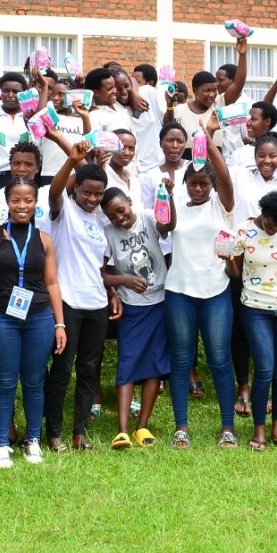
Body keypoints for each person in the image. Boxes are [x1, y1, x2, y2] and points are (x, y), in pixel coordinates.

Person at [0, 177, 69, 468]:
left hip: (39, 316)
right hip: (3, 317)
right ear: (7, 202)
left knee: (34, 382)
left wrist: (60, 324)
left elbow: (52, 283)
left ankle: (33, 440)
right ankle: (2, 444)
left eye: (28, 200)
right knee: (5, 382)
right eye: (16, 200)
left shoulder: (44, 240)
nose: (22, 205)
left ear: (35, 204)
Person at [163, 112, 237, 448]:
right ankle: (181, 427)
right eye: (192, 183)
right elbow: (167, 226)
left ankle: (227, 428)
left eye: (203, 183)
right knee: (180, 359)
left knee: (219, 359)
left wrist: (207, 139)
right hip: (179, 291)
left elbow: (224, 175)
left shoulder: (223, 207)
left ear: (211, 185)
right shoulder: (175, 200)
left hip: (216, 291)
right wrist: (165, 195)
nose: (197, 187)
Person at [45, 144, 116, 451]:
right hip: (68, 301)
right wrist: (72, 161)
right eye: (87, 192)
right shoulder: (63, 212)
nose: (92, 198)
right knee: (62, 368)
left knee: (89, 369)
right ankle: (54, 432)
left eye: (98, 194)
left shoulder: (100, 221)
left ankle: (80, 431)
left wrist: (112, 292)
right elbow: (54, 191)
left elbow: (99, 265)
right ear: (77, 189)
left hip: (97, 303)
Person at [101, 183, 175, 448]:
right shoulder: (107, 233)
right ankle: (122, 430)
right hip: (131, 306)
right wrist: (124, 282)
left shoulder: (145, 216)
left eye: (121, 211)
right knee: (128, 364)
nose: (119, 218)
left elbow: (167, 226)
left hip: (160, 302)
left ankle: (142, 427)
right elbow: (102, 273)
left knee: (155, 364)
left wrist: (169, 198)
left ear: (130, 202)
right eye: (112, 216)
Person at [226, 190, 277, 451]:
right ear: (263, 214)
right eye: (270, 224)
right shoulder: (244, 231)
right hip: (255, 308)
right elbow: (234, 273)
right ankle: (259, 430)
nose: (273, 230)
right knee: (265, 368)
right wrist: (227, 260)